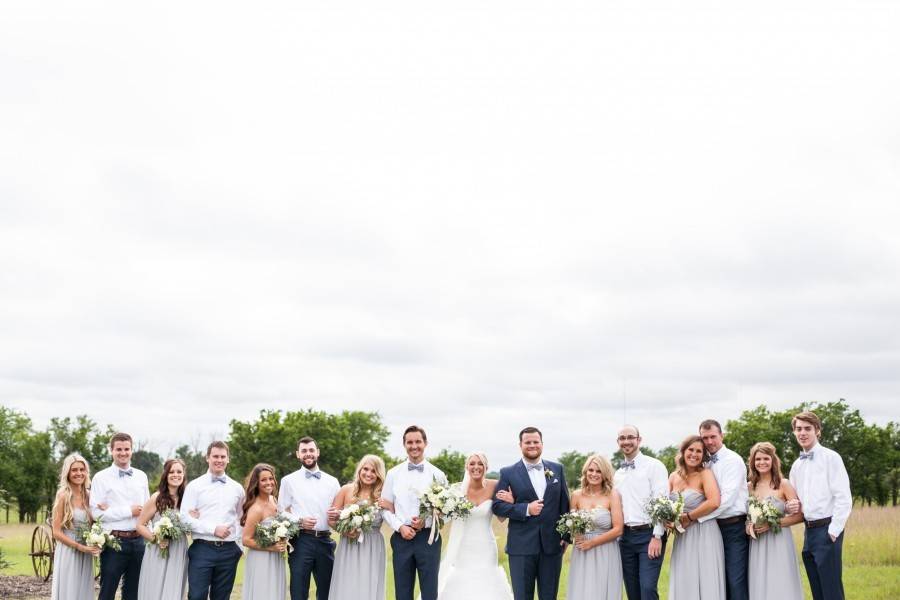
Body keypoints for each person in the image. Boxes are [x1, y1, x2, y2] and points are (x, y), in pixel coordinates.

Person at [492, 426, 570, 600]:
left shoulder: (557, 469)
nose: (532, 445)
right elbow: (497, 506)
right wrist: (525, 509)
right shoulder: (508, 472)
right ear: (520, 444)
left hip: (551, 547)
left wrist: (566, 536)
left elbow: (565, 505)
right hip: (521, 547)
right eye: (528, 442)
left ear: (542, 444)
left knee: (549, 596)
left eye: (536, 442)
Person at [787, 411, 852, 600]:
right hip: (809, 532)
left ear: (817, 431)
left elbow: (843, 497)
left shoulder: (831, 458)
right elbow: (796, 502)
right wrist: (792, 505)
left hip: (827, 529)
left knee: (831, 591)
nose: (803, 433)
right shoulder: (797, 465)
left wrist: (833, 531)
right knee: (817, 590)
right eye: (798, 429)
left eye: (807, 428)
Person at [432, 452, 513, 600]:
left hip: (486, 545)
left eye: (480, 463)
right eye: (472, 463)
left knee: (487, 579)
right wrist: (437, 510)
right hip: (464, 545)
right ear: (467, 467)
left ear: (486, 467)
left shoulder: (495, 485)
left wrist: (510, 502)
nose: (476, 467)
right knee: (462, 579)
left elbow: (501, 518)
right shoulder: (457, 490)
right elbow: (446, 516)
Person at [382, 425, 448, 600]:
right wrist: (400, 527)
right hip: (401, 539)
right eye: (409, 442)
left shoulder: (438, 475)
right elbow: (385, 508)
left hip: (429, 539)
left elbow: (447, 512)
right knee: (402, 593)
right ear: (404, 445)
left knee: (429, 592)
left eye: (418, 441)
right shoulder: (393, 474)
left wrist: (426, 522)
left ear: (425, 443)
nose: (414, 446)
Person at [278, 436, 341, 600]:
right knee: (299, 592)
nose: (308, 454)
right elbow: (280, 512)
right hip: (300, 541)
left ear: (317, 453)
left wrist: (338, 514)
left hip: (325, 542)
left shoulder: (332, 482)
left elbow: (339, 512)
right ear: (298, 454)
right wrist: (299, 521)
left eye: (311, 450)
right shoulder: (288, 481)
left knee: (327, 592)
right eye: (304, 451)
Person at [180, 440, 245, 600]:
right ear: (207, 458)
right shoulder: (194, 486)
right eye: (215, 456)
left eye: (223, 456)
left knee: (222, 597)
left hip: (229, 551)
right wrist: (213, 529)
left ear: (228, 459)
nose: (219, 460)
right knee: (196, 596)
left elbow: (241, 519)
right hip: (202, 549)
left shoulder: (237, 488)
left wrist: (239, 546)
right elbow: (184, 519)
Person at [90, 432, 150, 600]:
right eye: (119, 449)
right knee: (107, 591)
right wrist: (128, 511)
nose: (123, 453)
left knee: (133, 593)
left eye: (126, 449)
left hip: (139, 542)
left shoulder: (141, 476)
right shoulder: (100, 478)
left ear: (132, 450)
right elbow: (96, 513)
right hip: (114, 543)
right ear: (111, 450)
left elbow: (147, 509)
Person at [612, 425, 669, 600]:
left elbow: (662, 502)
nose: (626, 441)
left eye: (630, 437)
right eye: (622, 438)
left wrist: (657, 536)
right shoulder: (618, 473)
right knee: (633, 591)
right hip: (625, 538)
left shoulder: (654, 466)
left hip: (649, 535)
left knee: (647, 588)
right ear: (618, 442)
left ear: (639, 440)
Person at [667, 434, 725, 600]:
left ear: (703, 455)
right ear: (683, 451)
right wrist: (668, 520)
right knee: (684, 577)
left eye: (699, 451)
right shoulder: (673, 476)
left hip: (704, 532)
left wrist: (689, 517)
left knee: (705, 577)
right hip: (682, 536)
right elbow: (664, 505)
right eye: (691, 449)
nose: (694, 454)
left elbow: (714, 502)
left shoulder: (705, 474)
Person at [699, 419, 750, 600]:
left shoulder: (733, 460)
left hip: (733, 527)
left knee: (735, 580)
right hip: (711, 529)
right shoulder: (703, 464)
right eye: (705, 438)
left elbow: (727, 500)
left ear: (722, 435)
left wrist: (698, 518)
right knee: (716, 580)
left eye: (713, 436)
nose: (709, 442)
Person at [328, 455, 391, 600]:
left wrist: (389, 505)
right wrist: (345, 530)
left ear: (379, 475)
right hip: (348, 546)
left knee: (368, 584)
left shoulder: (383, 495)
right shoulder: (346, 490)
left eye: (373, 471)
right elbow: (331, 520)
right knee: (347, 584)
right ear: (360, 469)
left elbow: (393, 515)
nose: (368, 474)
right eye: (366, 469)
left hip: (373, 547)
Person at [745, 442, 803, 600]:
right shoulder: (749, 487)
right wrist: (748, 526)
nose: (762, 462)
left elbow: (800, 516)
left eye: (766, 458)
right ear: (752, 462)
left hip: (779, 541)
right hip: (757, 543)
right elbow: (747, 516)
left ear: (773, 461)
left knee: (781, 579)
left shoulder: (783, 484)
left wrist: (772, 524)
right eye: (758, 459)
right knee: (759, 580)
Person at [567, 454, 623, 600]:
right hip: (582, 552)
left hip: (605, 550)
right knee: (582, 590)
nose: (594, 474)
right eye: (591, 470)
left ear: (605, 474)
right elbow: (572, 524)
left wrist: (591, 543)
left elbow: (618, 529)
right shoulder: (576, 496)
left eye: (598, 471)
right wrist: (577, 535)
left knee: (602, 589)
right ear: (585, 472)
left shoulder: (612, 495)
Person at [136, 458, 189, 600]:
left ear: (184, 475)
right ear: (165, 474)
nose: (175, 475)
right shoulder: (156, 498)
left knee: (174, 589)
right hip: (158, 549)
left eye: (179, 472)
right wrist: (156, 538)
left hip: (179, 549)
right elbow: (140, 525)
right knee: (155, 588)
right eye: (172, 472)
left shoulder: (187, 499)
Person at [50, 453, 99, 600]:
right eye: (74, 470)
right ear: (68, 473)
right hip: (69, 552)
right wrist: (79, 547)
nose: (79, 473)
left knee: (83, 592)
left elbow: (97, 523)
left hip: (86, 553)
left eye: (82, 469)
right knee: (69, 592)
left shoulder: (90, 495)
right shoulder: (63, 496)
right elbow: (56, 532)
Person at [241, 463, 288, 600]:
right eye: (263, 480)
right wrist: (271, 547)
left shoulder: (274, 500)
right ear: (256, 483)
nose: (269, 482)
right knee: (263, 593)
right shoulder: (256, 509)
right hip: (261, 559)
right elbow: (246, 539)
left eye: (270, 478)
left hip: (276, 558)